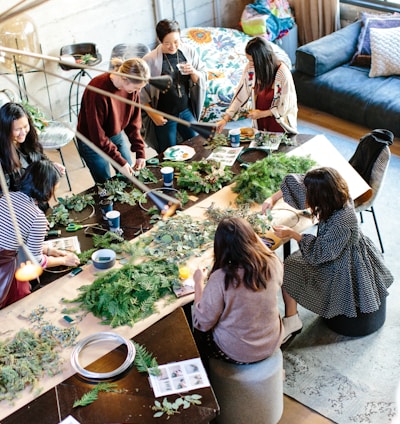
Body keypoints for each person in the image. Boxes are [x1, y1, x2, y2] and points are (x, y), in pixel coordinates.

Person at [262, 167, 394, 343]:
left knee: (288, 269)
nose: (306, 197)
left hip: (341, 262)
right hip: (336, 249)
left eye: (310, 195)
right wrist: (273, 198)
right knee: (292, 262)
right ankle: (292, 318)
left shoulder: (342, 221)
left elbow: (319, 254)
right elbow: (299, 182)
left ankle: (292, 320)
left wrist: (293, 234)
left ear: (321, 196)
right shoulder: (336, 191)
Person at [192, 217, 284, 367]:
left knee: (199, 332)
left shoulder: (221, 278)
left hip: (238, 352)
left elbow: (202, 322)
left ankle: (206, 376)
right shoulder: (272, 263)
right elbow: (267, 252)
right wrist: (247, 232)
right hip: (272, 341)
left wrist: (198, 283)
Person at [0, 160, 80, 308]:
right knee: (21, 305)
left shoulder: (7, 197)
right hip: (6, 269)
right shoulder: (37, 217)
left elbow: (15, 237)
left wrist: (49, 250)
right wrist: (65, 260)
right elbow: (37, 261)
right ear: (48, 188)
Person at [77, 57, 149, 185]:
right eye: (136, 88)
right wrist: (120, 162)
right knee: (106, 183)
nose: (138, 92)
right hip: (91, 142)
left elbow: (134, 123)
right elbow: (98, 136)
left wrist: (140, 152)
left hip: (114, 134)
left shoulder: (132, 90)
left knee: (129, 176)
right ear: (124, 78)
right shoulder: (97, 90)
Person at [141, 19, 207, 153]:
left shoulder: (188, 51)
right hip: (164, 115)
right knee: (169, 152)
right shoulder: (149, 60)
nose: (173, 47)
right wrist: (153, 114)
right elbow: (139, 92)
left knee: (198, 144)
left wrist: (193, 72)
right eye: (167, 43)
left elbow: (202, 74)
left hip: (185, 109)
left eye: (176, 41)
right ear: (159, 40)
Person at [216, 36, 297, 135]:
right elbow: (241, 95)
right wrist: (225, 119)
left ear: (262, 59)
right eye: (248, 60)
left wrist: (262, 114)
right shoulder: (251, 69)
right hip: (260, 124)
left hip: (279, 125)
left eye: (252, 61)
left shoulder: (282, 73)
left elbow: (285, 107)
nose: (249, 64)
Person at [0, 102, 65, 195]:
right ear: (6, 130)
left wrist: (49, 166)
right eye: (17, 129)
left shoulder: (29, 139)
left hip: (37, 196)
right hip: (20, 204)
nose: (23, 133)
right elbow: (4, 195)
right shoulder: (3, 156)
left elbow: (40, 157)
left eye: (25, 126)